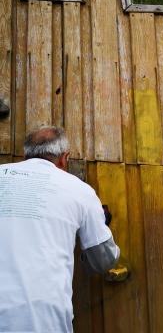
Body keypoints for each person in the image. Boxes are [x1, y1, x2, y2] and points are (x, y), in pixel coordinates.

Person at [0, 126, 120, 333]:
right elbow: (103, 260)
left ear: (25, 155)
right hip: (37, 319)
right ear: (64, 158)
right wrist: (99, 225)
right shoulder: (80, 190)